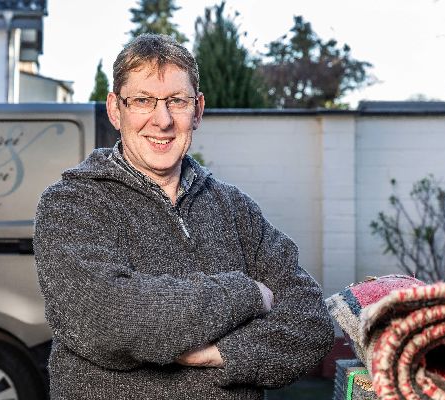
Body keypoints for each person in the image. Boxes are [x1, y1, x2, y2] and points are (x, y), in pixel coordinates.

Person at [34, 33, 334, 399]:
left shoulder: (235, 209)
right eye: (142, 100)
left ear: (198, 110)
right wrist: (248, 292)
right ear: (115, 109)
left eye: (177, 101)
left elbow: (312, 322)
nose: (162, 120)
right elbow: (110, 317)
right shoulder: (71, 204)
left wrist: (222, 353)